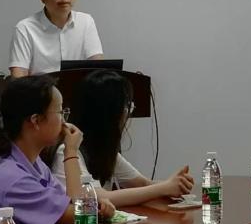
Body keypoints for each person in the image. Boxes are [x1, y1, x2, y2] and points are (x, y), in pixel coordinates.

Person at [0, 76, 115, 224]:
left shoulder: (34, 164)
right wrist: (71, 151)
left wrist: (95, 205)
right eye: (60, 112)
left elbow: (71, 203)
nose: (64, 121)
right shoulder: (11, 177)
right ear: (36, 120)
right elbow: (81, 218)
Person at [49, 70, 193, 206]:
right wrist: (164, 187)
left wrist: (174, 183)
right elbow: (97, 197)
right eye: (127, 106)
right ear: (111, 115)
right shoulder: (67, 151)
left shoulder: (102, 148)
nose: (128, 114)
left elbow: (142, 184)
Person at [9, 0, 104, 77]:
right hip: (41, 87)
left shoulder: (86, 21)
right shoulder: (25, 28)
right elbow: (19, 76)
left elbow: (98, 68)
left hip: (78, 87)